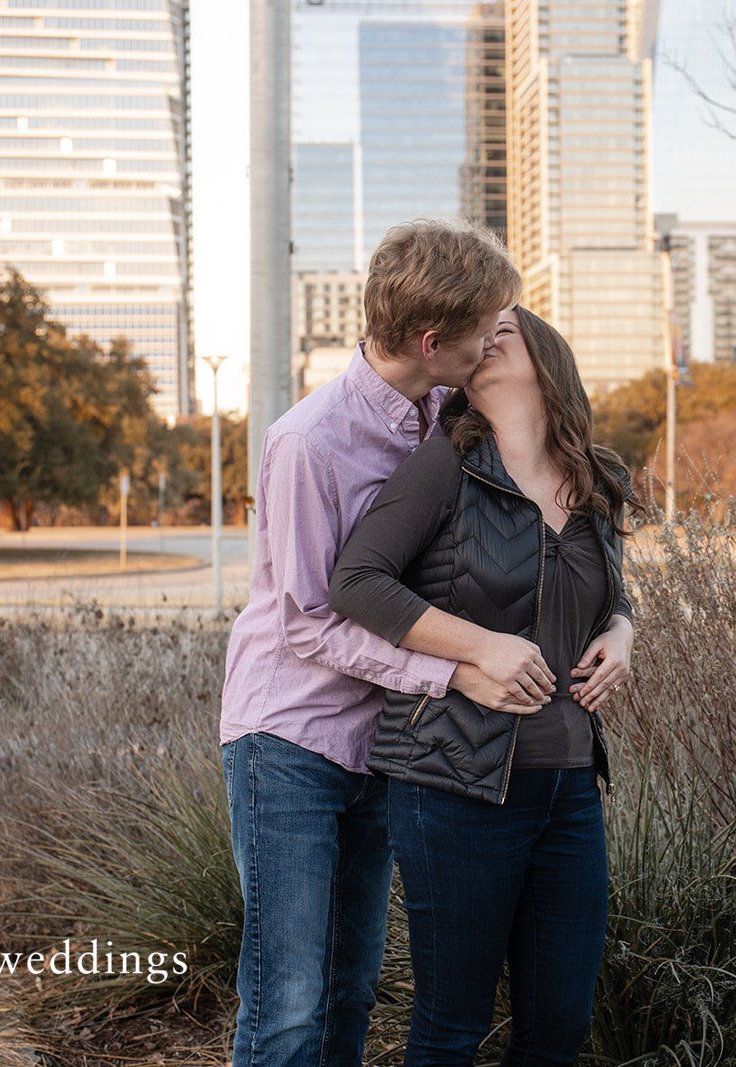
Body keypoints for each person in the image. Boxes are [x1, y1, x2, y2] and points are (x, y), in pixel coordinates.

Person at [219, 220, 558, 1067]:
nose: (494, 342)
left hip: (381, 741)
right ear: (433, 340)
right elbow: (306, 619)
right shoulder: (309, 440)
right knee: (288, 998)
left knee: (352, 986)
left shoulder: (447, 417)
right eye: (485, 328)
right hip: (288, 736)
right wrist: (454, 669)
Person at [328, 305, 638, 1065]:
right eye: (482, 332)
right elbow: (357, 582)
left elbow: (604, 590)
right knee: (450, 1026)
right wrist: (480, 648)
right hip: (453, 783)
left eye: (508, 328)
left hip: (568, 784)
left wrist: (624, 631)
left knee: (559, 1024)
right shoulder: (446, 465)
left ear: (548, 357)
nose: (490, 335)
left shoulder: (597, 476)